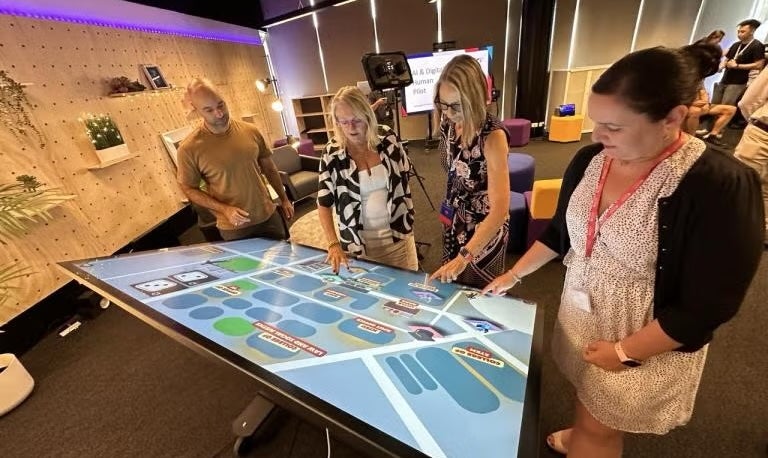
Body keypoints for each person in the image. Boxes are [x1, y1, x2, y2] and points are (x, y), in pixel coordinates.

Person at [482, 47, 764, 457]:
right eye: (597, 122)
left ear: (671, 118)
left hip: (641, 336)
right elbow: (563, 233)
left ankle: (591, 437)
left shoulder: (718, 185)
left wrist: (624, 353)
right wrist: (513, 274)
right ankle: (585, 430)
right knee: (587, 397)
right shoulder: (590, 159)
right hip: (582, 310)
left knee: (601, 427)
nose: (598, 136)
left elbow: (708, 305)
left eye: (614, 126)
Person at [176, 78, 294, 241]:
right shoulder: (188, 149)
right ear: (197, 111)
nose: (219, 113)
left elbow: (269, 168)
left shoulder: (250, 130)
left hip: (269, 216)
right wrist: (224, 209)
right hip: (235, 228)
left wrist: (284, 199)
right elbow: (189, 189)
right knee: (250, 267)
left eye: (221, 105)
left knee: (285, 263)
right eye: (209, 110)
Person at [429, 54, 511, 288]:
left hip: (483, 229)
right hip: (455, 219)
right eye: (442, 104)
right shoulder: (449, 124)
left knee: (480, 295)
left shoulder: (492, 137)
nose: (447, 112)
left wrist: (466, 256)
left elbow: (500, 211)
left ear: (473, 99)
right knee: (452, 288)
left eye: (455, 106)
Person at [317, 86, 418, 273]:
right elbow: (323, 204)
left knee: (408, 296)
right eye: (344, 122)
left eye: (356, 120)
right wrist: (333, 244)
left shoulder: (388, 138)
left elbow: (404, 176)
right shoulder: (332, 154)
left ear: (368, 115)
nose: (351, 128)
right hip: (358, 249)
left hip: (399, 240)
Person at [735, 63, 768, 246]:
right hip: (762, 133)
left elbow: (748, 101)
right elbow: (749, 101)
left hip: (762, 132)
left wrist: (755, 122)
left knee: (743, 185)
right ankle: (756, 235)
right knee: (752, 186)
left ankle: (746, 234)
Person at [681, 43, 737, 145]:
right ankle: (690, 141)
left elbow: (703, 90)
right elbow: (679, 97)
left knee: (731, 109)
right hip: (688, 105)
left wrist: (705, 102)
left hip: (701, 104)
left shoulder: (700, 75)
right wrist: (694, 103)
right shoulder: (683, 74)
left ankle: (713, 135)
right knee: (695, 111)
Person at [712, 19, 765, 107]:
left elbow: (759, 65)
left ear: (752, 31)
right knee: (713, 105)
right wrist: (721, 66)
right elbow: (727, 59)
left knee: (725, 108)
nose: (739, 34)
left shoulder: (757, 46)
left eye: (742, 32)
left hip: (738, 83)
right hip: (724, 80)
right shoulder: (736, 44)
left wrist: (737, 66)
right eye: (738, 31)